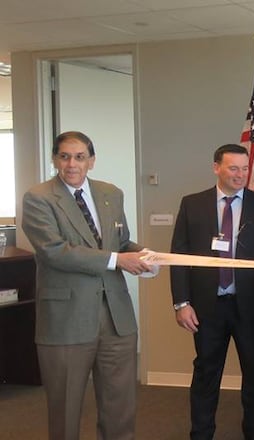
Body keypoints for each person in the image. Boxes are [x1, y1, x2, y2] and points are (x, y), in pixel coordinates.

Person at [21, 130, 153, 440]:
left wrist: (146, 256)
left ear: (91, 161)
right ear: (55, 159)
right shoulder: (39, 198)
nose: (72, 164)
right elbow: (54, 251)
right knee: (65, 410)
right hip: (67, 319)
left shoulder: (111, 193)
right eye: (65, 156)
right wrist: (118, 260)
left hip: (116, 317)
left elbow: (120, 242)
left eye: (80, 157)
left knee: (120, 408)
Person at [169, 143, 254, 440]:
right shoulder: (192, 204)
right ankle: (201, 433)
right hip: (207, 308)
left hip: (252, 307)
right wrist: (181, 302)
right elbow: (179, 257)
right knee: (206, 374)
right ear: (216, 168)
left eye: (245, 169)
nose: (240, 174)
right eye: (233, 168)